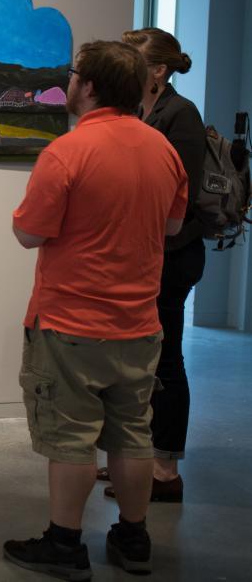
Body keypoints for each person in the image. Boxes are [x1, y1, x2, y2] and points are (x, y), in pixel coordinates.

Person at [3, 40, 188, 580]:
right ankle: (134, 538)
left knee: (70, 438)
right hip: (140, 323)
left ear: (88, 85)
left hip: (70, 325)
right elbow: (174, 226)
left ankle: (64, 545)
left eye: (74, 74)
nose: (71, 81)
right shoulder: (162, 150)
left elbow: (27, 232)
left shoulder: (67, 152)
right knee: (134, 434)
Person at [95, 28, 206, 503]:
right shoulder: (145, 112)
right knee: (138, 363)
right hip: (149, 256)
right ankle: (134, 459)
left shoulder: (180, 116)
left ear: (158, 72)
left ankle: (163, 468)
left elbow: (174, 198)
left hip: (173, 258)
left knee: (167, 359)